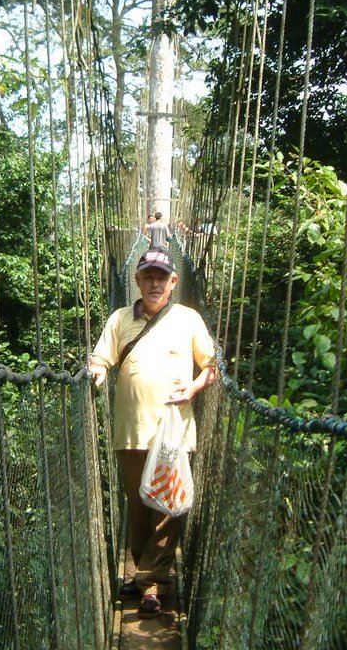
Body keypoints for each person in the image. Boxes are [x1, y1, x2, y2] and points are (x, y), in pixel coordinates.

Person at [88, 247, 217, 618]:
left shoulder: (189, 319)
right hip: (130, 432)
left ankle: (151, 585)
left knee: (168, 508)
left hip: (173, 435)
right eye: (148, 276)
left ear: (174, 282)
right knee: (140, 508)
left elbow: (211, 367)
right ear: (137, 280)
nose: (155, 283)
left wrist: (193, 389)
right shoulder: (119, 319)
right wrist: (97, 371)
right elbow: (101, 358)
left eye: (162, 277)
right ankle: (146, 575)